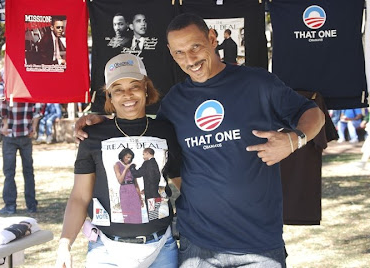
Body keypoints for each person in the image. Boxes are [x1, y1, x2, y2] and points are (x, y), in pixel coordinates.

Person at [75, 13, 325, 267]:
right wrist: (101, 124)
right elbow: (145, 133)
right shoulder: (174, 103)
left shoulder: (257, 83)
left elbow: (313, 113)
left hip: (259, 243)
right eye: (180, 52)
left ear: (212, 39)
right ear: (171, 54)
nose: (190, 59)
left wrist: (294, 140)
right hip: (198, 245)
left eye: (195, 47)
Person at [56, 53, 181, 268]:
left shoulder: (166, 131)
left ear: (146, 89)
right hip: (107, 251)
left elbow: (184, 183)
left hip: (162, 247)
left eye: (134, 86)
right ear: (110, 98)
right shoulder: (92, 136)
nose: (128, 95)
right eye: (118, 90)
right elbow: (79, 196)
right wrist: (64, 244)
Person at [0, 99, 38, 214]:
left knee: (9, 172)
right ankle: (31, 205)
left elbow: (3, 107)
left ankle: (10, 205)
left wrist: (5, 125)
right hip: (26, 133)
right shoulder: (29, 86)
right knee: (28, 171)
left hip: (10, 134)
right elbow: (37, 108)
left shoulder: (7, 84)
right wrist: (34, 127)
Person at [115, 148, 143, 224]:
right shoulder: (117, 165)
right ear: (122, 156)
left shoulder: (131, 166)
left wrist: (140, 198)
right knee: (127, 213)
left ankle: (138, 229)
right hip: (124, 189)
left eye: (130, 157)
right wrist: (126, 169)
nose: (128, 159)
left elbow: (136, 183)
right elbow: (120, 180)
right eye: (127, 157)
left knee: (137, 212)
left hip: (133, 189)